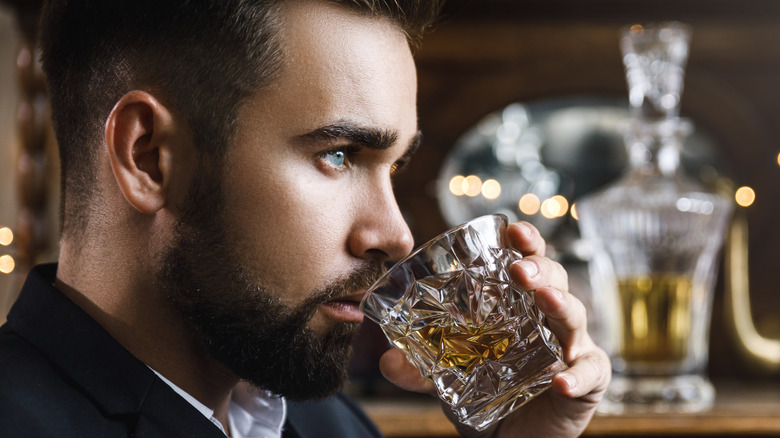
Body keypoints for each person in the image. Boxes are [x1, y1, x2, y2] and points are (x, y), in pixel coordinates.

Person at [0, 0, 610, 437]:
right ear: (150, 158)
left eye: (393, 168)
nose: (397, 236)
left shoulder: (329, 424)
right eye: (339, 155)